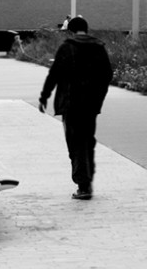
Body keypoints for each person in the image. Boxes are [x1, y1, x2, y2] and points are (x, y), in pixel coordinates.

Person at [38, 15, 113, 200]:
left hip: (70, 104)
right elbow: (107, 75)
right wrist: (98, 97)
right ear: (86, 29)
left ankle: (83, 185)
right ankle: (86, 182)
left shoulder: (67, 47)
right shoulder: (99, 47)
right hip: (91, 105)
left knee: (75, 143)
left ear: (70, 30)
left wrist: (44, 97)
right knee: (87, 142)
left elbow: (54, 74)